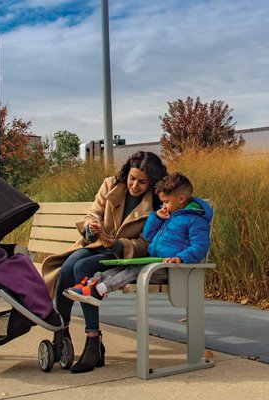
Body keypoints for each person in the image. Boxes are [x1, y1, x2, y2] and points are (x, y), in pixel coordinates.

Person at [39, 151, 167, 373]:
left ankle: (92, 340)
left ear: (152, 183)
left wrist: (116, 244)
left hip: (124, 255)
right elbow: (93, 214)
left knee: (80, 266)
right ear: (126, 173)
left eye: (142, 182)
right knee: (68, 266)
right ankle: (62, 331)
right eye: (132, 178)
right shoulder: (110, 185)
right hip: (96, 245)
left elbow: (146, 244)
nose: (135, 185)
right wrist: (92, 228)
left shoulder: (157, 203)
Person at [64, 173, 212, 307]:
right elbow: (148, 236)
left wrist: (181, 257)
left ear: (181, 199)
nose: (164, 206)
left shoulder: (195, 220)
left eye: (166, 202)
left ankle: (100, 290)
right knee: (121, 268)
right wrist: (156, 217)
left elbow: (200, 245)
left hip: (172, 269)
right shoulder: (171, 215)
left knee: (135, 270)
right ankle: (92, 284)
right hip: (154, 262)